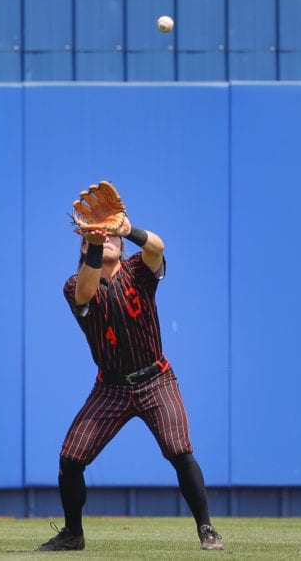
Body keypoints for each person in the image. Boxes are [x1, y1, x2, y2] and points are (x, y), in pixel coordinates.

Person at [36, 214, 224, 552]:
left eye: (112, 238)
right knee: (71, 458)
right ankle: (73, 534)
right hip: (111, 387)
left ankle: (207, 529)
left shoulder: (137, 270)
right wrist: (95, 243)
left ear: (122, 247)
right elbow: (86, 291)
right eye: (99, 239)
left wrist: (128, 230)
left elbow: (157, 248)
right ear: (84, 246)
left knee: (179, 451)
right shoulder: (74, 284)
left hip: (156, 378)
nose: (107, 240)